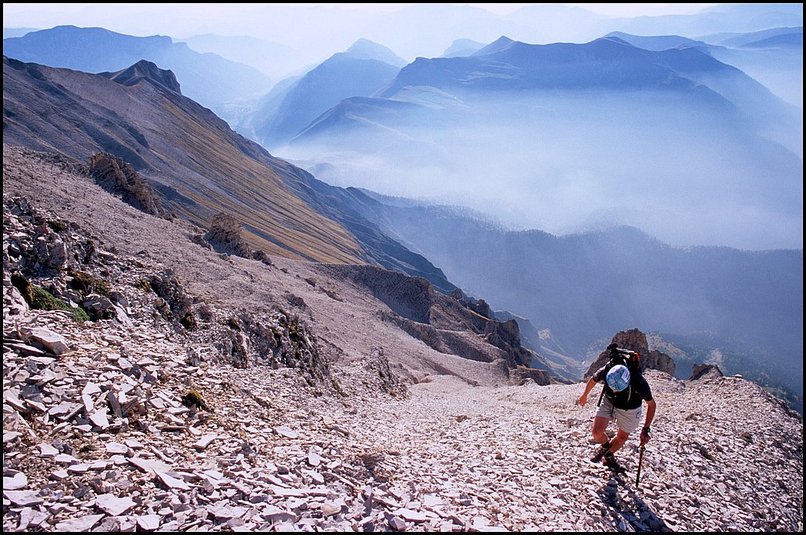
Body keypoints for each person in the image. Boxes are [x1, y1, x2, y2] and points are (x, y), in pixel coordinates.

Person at [577, 343, 656, 472]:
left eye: (618, 390)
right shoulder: (609, 369)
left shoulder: (640, 383)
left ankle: (608, 455)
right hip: (608, 401)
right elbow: (593, 379)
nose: (614, 391)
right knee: (596, 433)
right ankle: (605, 447)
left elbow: (652, 405)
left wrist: (646, 428)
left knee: (622, 437)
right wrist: (584, 395)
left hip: (630, 408)